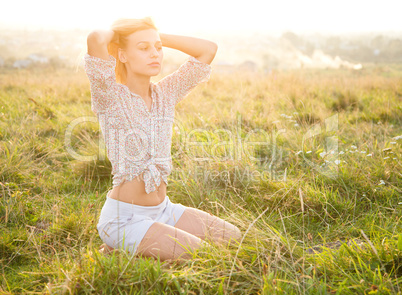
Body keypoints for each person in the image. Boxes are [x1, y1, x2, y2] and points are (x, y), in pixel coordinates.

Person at [84, 17, 241, 261]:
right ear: (122, 55)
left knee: (233, 237)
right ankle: (120, 243)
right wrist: (123, 34)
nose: (155, 54)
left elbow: (207, 49)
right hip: (124, 218)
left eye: (158, 48)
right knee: (204, 256)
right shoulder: (110, 96)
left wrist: (153, 36)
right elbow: (95, 38)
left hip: (164, 210)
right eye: (144, 48)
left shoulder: (165, 93)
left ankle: (126, 251)